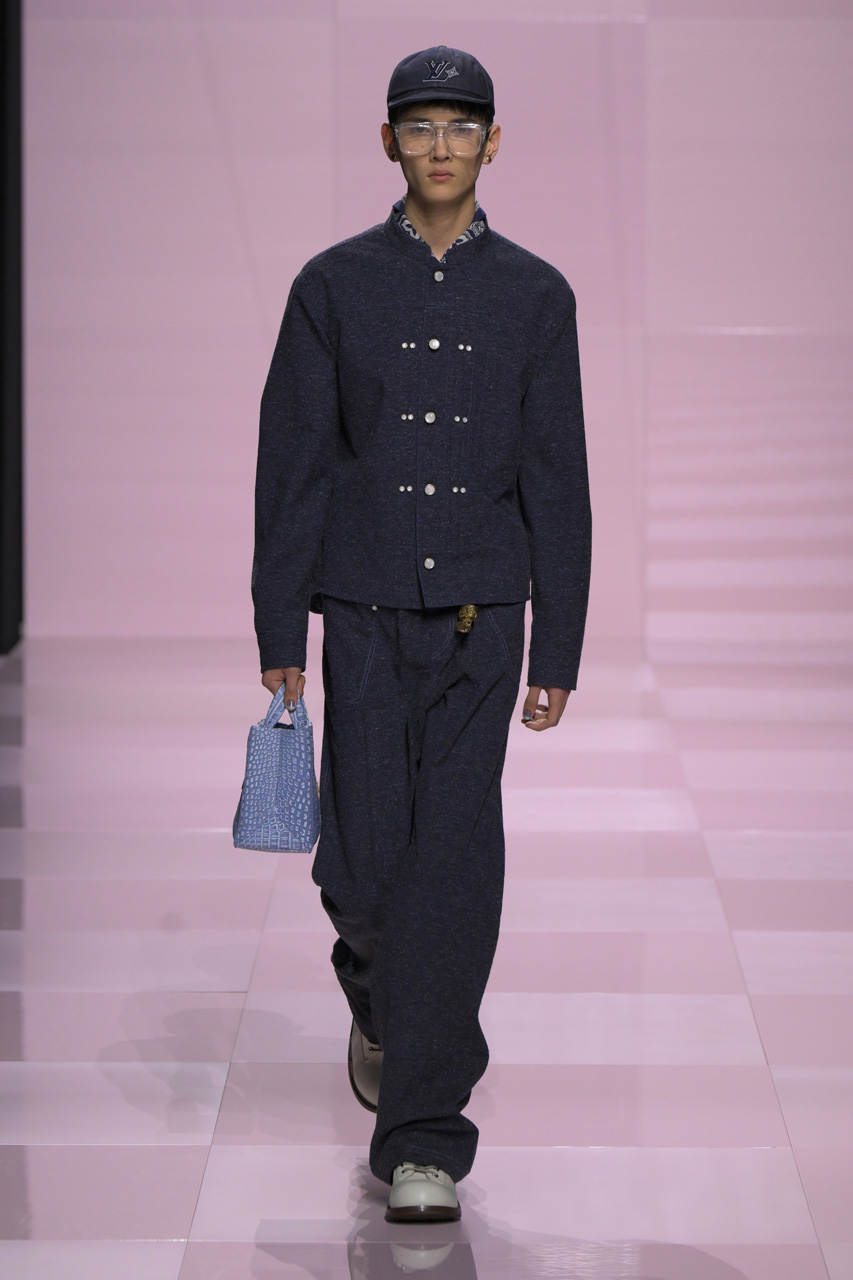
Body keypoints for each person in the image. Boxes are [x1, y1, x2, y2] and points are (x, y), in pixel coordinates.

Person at [252, 44, 591, 1224]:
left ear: (492, 143)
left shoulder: (537, 295)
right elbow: (293, 462)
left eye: (460, 126)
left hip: (480, 624)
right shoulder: (332, 285)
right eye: (419, 125)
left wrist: (557, 646)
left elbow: (558, 478)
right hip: (357, 612)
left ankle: (424, 1138)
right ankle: (383, 1000)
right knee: (356, 866)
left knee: (450, 866)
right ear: (387, 141)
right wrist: (279, 622)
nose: (440, 146)